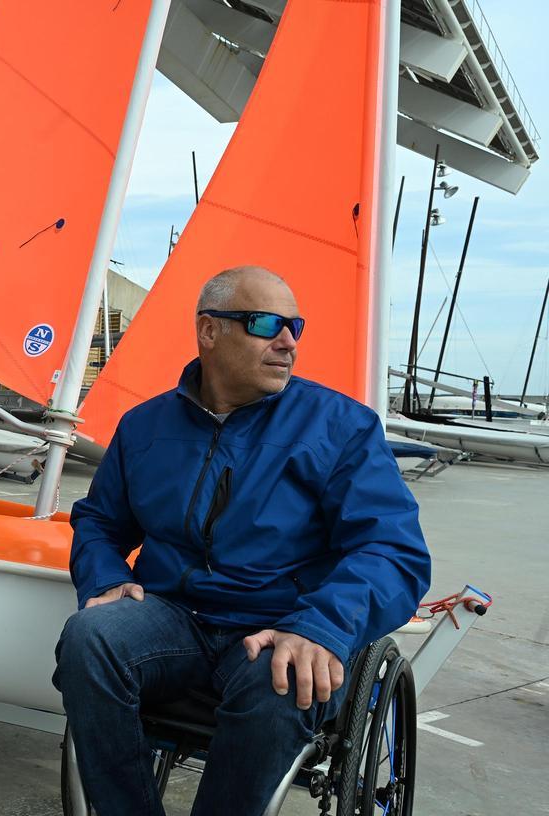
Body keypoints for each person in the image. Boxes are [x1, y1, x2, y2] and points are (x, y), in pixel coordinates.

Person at [53, 266, 431, 816]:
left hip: (283, 621)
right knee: (90, 637)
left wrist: (320, 626)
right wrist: (106, 577)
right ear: (209, 331)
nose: (287, 342)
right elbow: (100, 523)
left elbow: (394, 552)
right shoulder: (144, 427)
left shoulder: (341, 427)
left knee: (283, 679)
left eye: (295, 327)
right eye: (265, 324)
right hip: (175, 618)